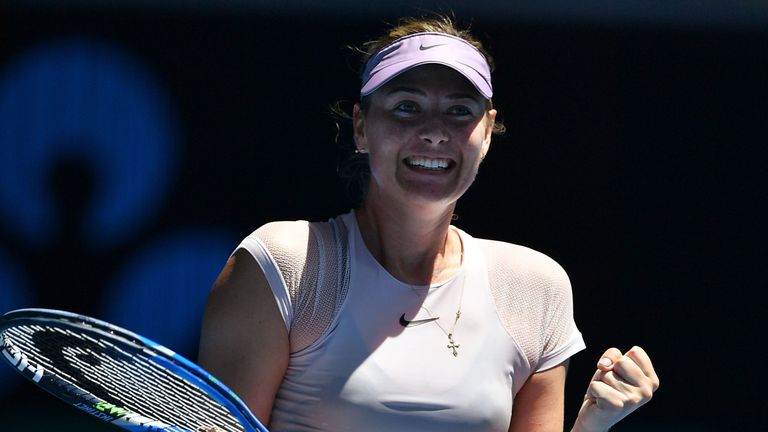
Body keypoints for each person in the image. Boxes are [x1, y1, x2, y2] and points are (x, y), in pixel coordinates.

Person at [198, 15, 659, 432]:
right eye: (406, 106)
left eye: (459, 110)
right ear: (361, 127)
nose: (435, 131)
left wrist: (594, 423)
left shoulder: (535, 287)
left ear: (486, 131)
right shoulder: (283, 263)